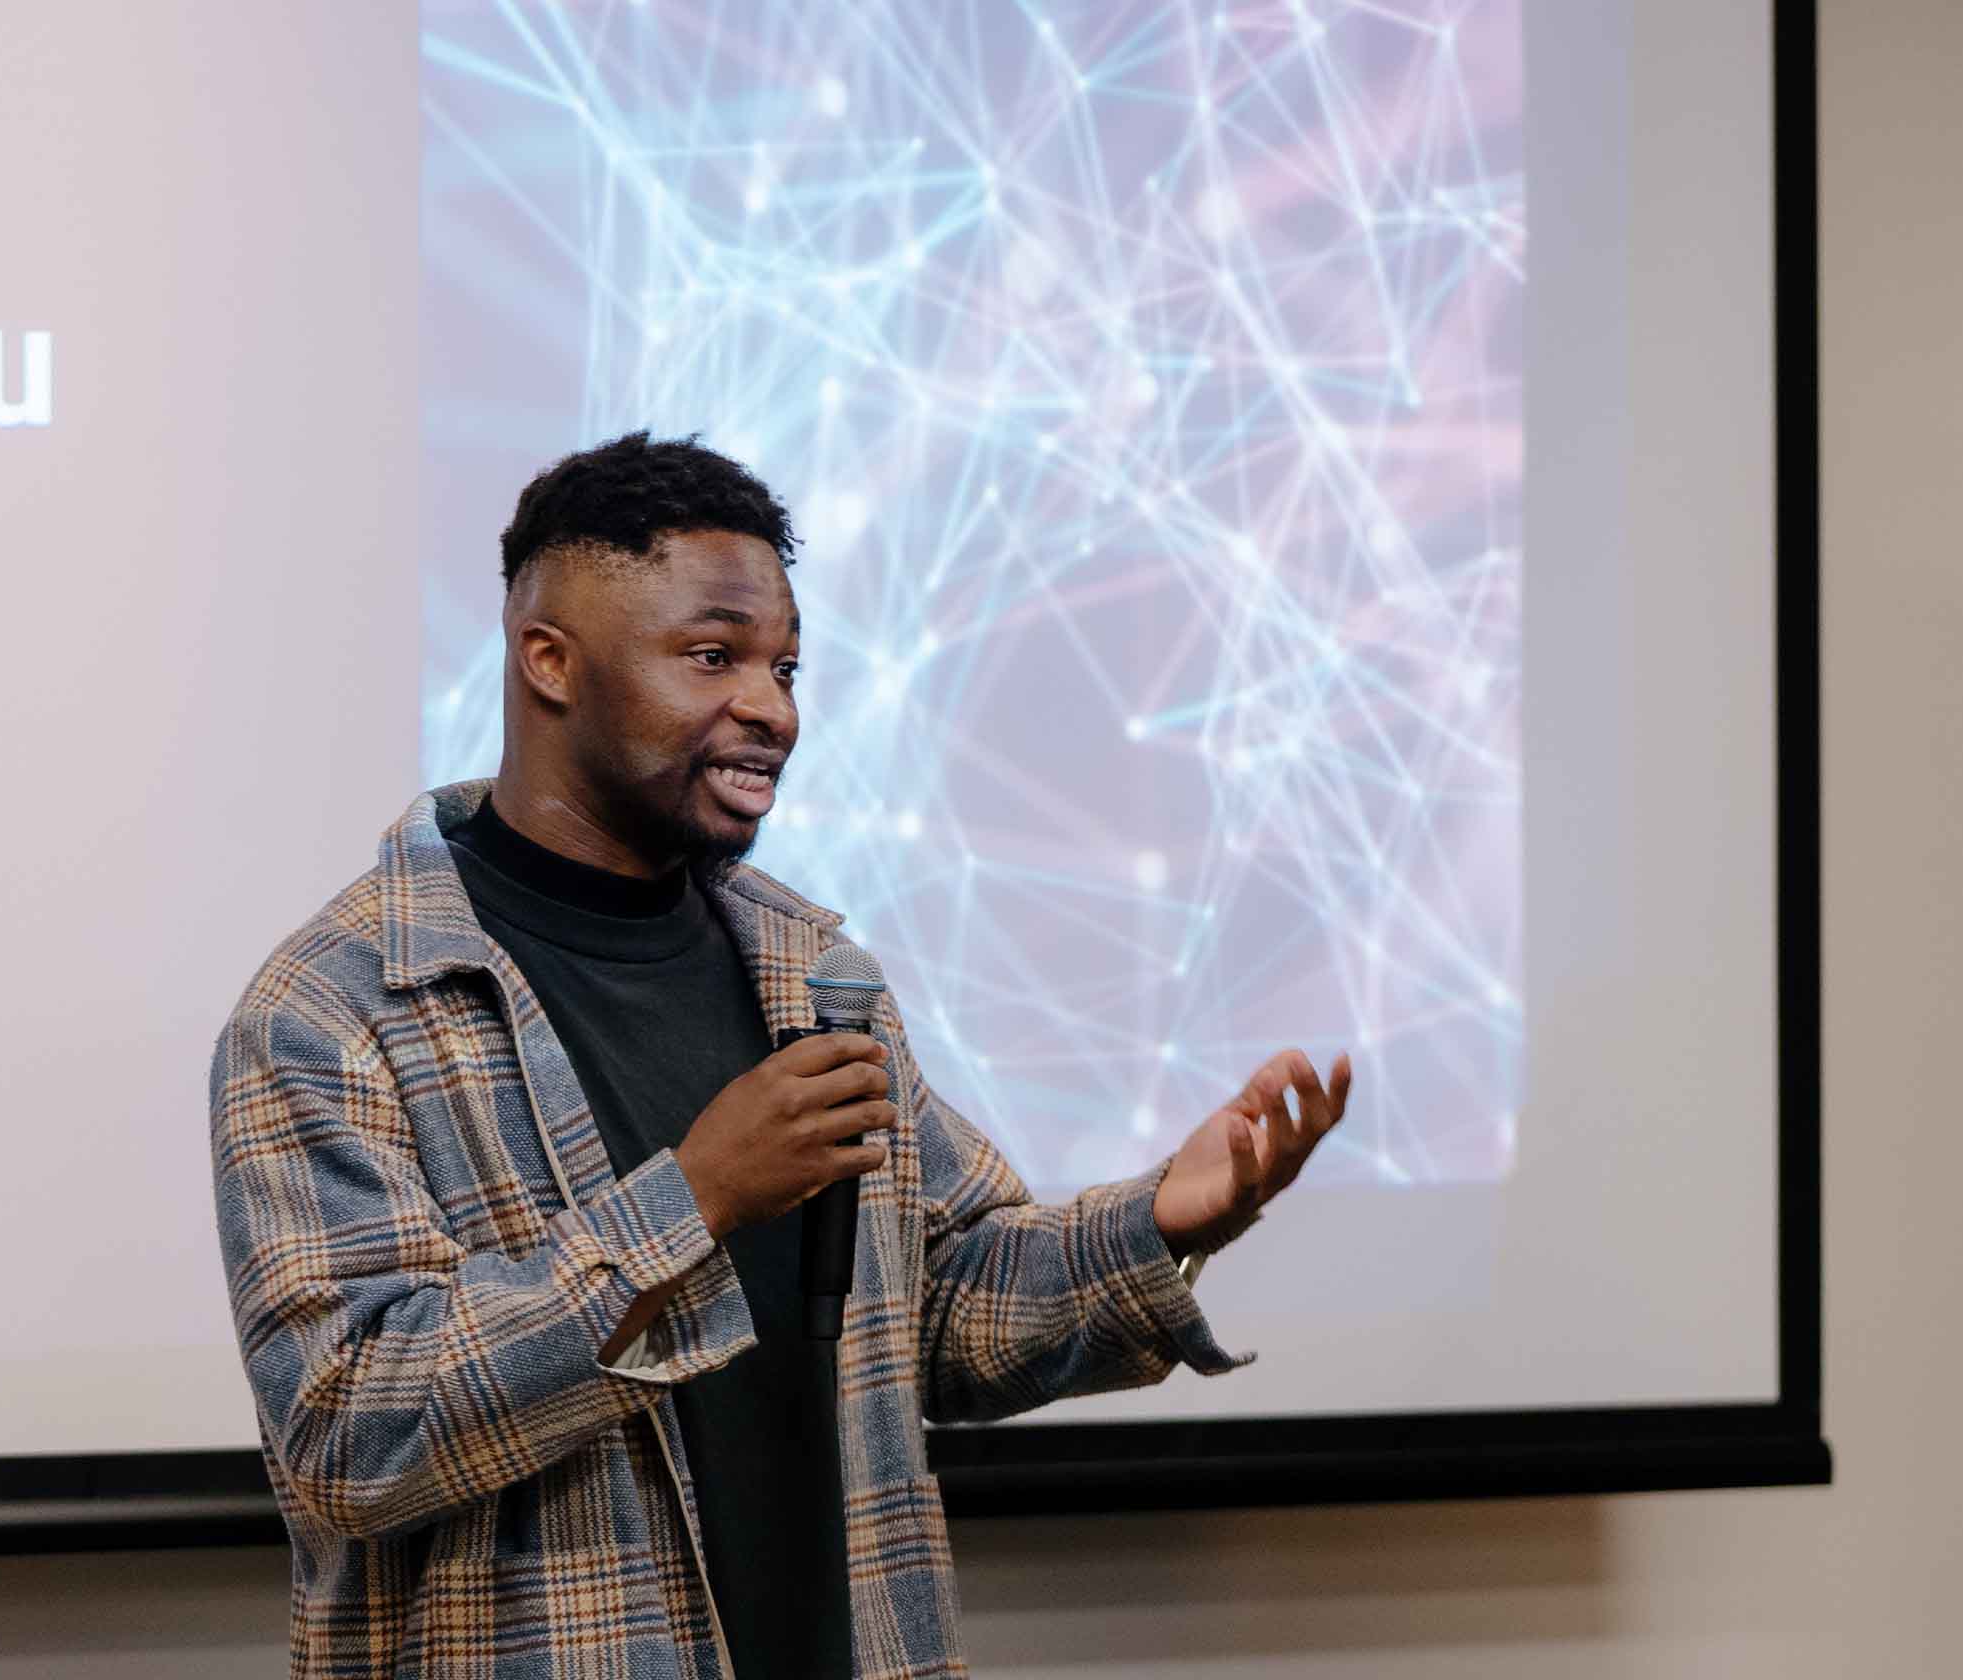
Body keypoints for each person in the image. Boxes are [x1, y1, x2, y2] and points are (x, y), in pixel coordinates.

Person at [212, 432, 1353, 1679]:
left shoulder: (811, 974)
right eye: (714, 657)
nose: (772, 707)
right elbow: (345, 1436)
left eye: (786, 665)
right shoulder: (334, 1008)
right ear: (550, 661)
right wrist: (692, 1200)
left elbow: (936, 1313)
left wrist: (1166, 1223)